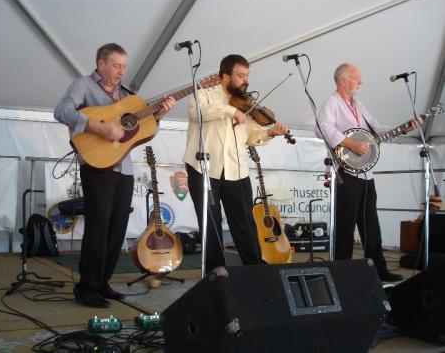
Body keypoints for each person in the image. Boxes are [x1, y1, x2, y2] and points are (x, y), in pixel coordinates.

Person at [54, 43, 175, 307]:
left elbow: (140, 129)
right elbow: (61, 111)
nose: (122, 71)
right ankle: (86, 287)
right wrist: (99, 128)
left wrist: (160, 114)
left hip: (124, 169)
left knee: (117, 228)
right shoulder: (83, 85)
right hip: (97, 166)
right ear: (101, 64)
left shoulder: (127, 96)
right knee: (98, 227)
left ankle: (103, 282)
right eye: (117, 65)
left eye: (124, 66)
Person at [183, 54, 289, 274]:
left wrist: (270, 133)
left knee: (245, 222)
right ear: (225, 76)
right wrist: (231, 111)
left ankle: (254, 267)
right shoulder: (203, 94)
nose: (245, 80)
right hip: (203, 168)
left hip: (236, 168)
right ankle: (216, 267)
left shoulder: (245, 103)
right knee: (210, 221)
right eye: (240, 75)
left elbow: (251, 135)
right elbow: (197, 113)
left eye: (247, 75)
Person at [315, 63, 416, 282]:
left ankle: (378, 270)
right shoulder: (331, 103)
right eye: (356, 77)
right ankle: (342, 273)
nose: (361, 82)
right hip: (345, 173)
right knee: (345, 226)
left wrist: (402, 128)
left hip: (365, 174)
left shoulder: (358, 105)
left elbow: (376, 129)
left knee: (371, 224)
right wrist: (351, 143)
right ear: (343, 80)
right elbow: (322, 127)